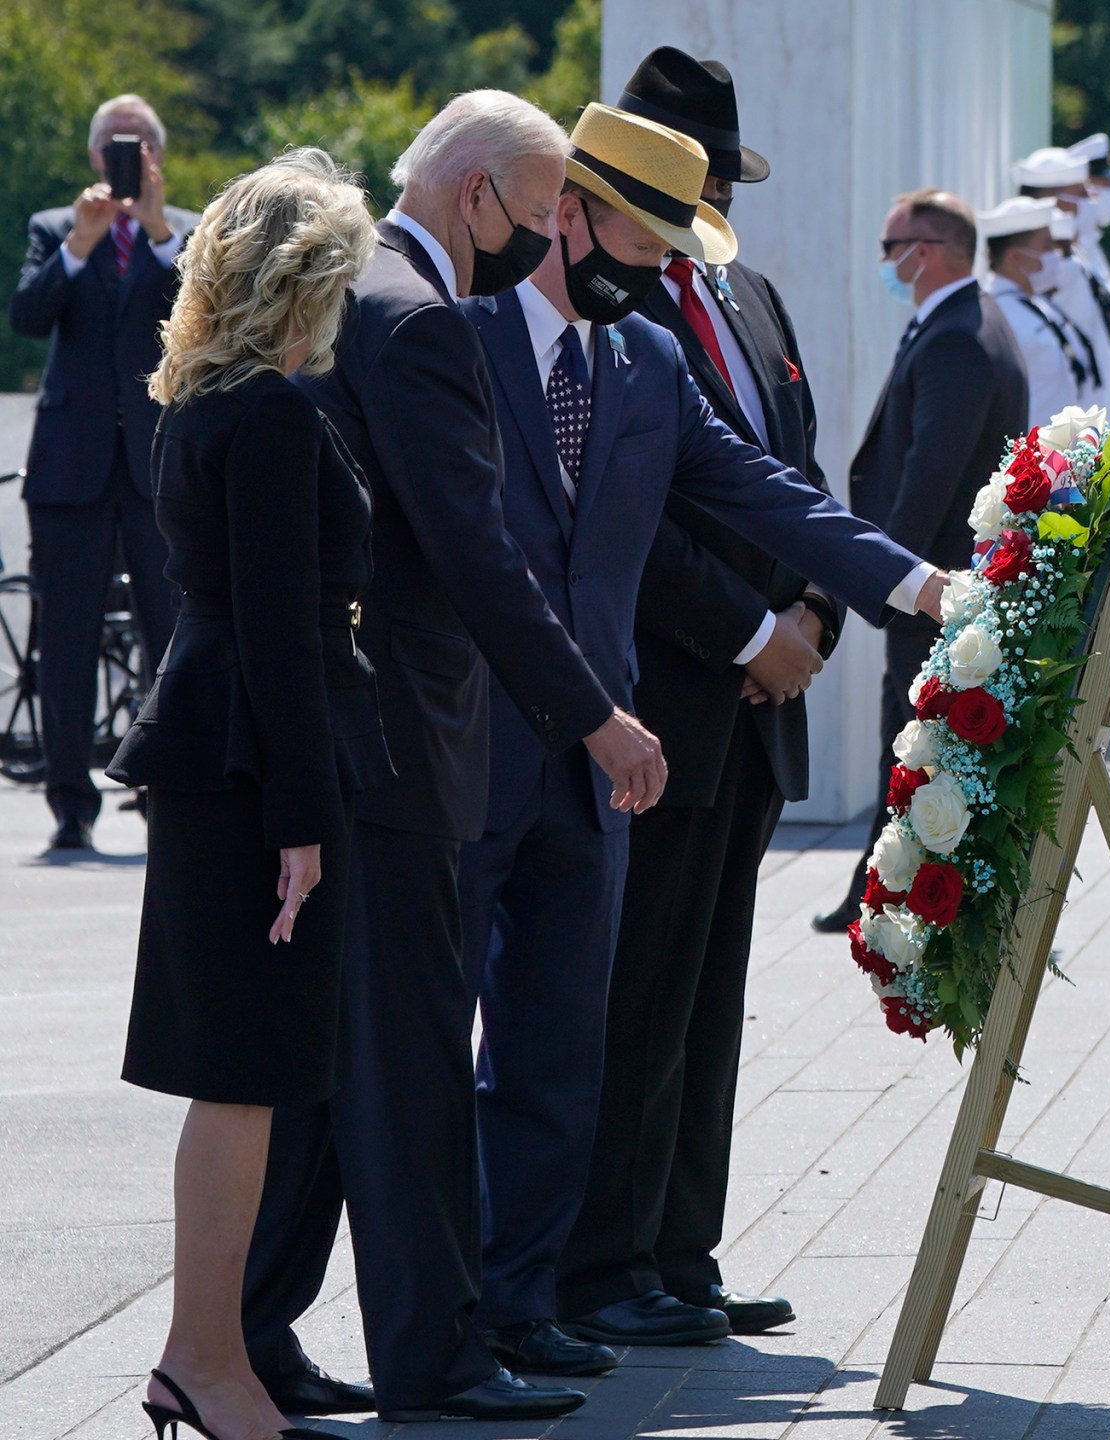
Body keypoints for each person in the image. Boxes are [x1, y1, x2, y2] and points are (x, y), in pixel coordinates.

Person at [466, 103, 945, 1368]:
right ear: (568, 210)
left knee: (584, 1030)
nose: (658, 264)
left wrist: (914, 587)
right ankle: (481, 1305)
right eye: (644, 232)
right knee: (485, 1045)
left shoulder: (644, 359)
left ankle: (537, 1299)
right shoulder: (463, 335)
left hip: (613, 745)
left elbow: (769, 489)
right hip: (495, 744)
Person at [240, 91, 670, 1428]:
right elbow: (474, 554)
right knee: (417, 1067)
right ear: (474, 193)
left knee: (332, 1059)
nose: (541, 243)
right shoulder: (419, 319)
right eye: (539, 215)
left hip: (348, 734)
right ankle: (434, 1354)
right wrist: (595, 713)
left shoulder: (349, 291)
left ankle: (251, 1330)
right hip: (408, 745)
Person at [103, 148, 381, 1440]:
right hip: (247, 767)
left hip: (215, 753)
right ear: (305, 280)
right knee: (245, 1078)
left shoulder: (200, 402)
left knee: (244, 1077)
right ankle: (204, 1364)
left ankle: (200, 1357)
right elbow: (283, 636)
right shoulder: (266, 413)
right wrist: (304, 826)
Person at [593, 43, 827, 1344]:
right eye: (691, 168)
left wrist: (814, 614)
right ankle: (605, 1258)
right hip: (668, 688)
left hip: (755, 702)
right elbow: (634, 518)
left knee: (706, 984)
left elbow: (800, 465)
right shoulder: (616, 307)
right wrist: (745, 631)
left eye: (720, 172)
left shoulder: (746, 297)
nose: (711, 194)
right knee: (635, 985)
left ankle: (683, 1246)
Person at [810, 189, 1026, 933]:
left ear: (924, 252)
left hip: (929, 583)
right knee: (908, 740)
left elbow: (929, 473)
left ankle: (887, 895)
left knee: (909, 743)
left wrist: (883, 575)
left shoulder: (958, 336)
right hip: (931, 581)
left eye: (889, 247)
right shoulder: (959, 324)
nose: (886, 263)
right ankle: (877, 887)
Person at [8, 94, 194, 851]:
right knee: (66, 639)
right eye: (118, 144)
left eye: (142, 143)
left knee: (175, 637)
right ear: (94, 156)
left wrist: (155, 232)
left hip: (157, 468)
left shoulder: (184, 230)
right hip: (71, 468)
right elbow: (25, 314)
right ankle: (68, 801)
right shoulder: (55, 228)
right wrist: (79, 247)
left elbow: (206, 313)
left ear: (159, 154)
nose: (129, 155)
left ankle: (169, 791)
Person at [1018, 143, 1110, 422]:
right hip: (1061, 439)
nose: (1094, 199)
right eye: (1083, 192)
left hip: (1096, 431)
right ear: (1054, 201)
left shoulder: (1084, 256)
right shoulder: (1045, 269)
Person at [980, 196, 1100, 429]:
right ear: (1014, 256)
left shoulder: (1039, 307)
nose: (1056, 254)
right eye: (1047, 246)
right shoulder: (996, 317)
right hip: (1029, 460)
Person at [1063, 132, 1110, 421]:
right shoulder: (1063, 262)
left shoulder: (1094, 253)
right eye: (1093, 188)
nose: (1103, 197)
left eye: (1109, 186)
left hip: (1107, 424)